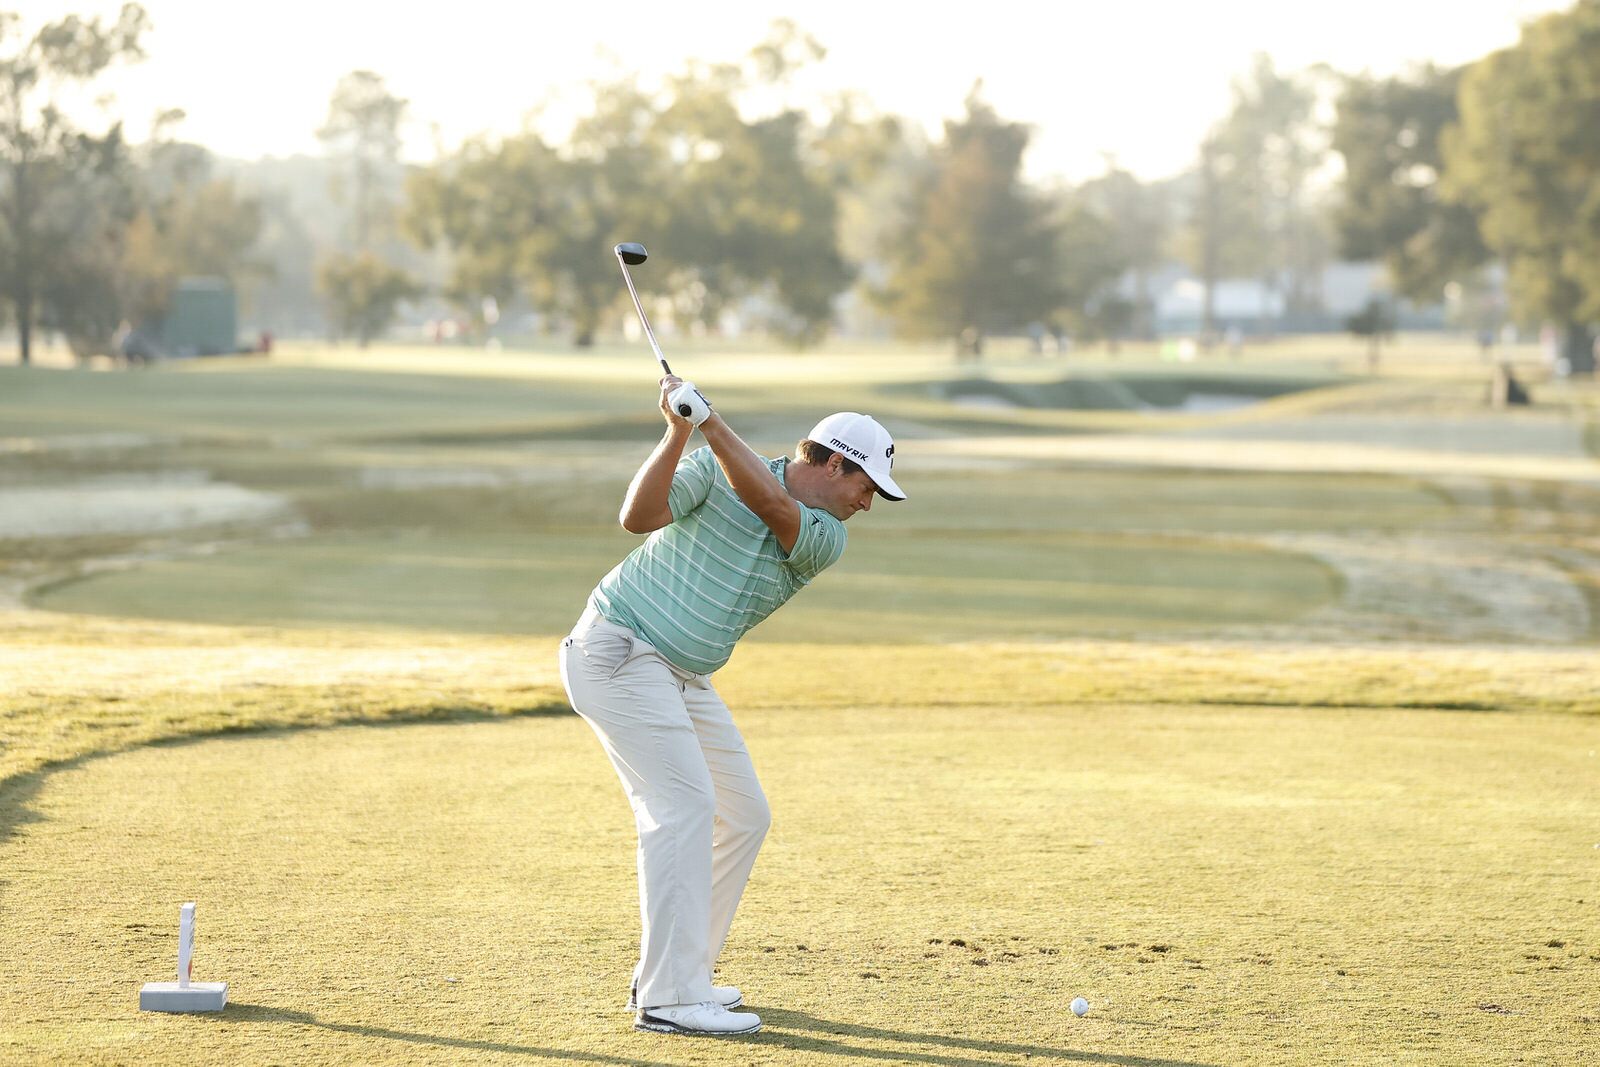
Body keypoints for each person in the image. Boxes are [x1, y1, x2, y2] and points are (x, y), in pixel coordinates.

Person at [557, 374, 904, 1036]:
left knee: (744, 813)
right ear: (834, 461)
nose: (869, 503)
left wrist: (711, 423)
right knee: (684, 807)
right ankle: (667, 996)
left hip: (682, 673)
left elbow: (772, 502)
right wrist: (679, 430)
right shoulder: (711, 472)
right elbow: (637, 517)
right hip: (621, 650)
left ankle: (682, 970)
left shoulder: (824, 533)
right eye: (867, 486)